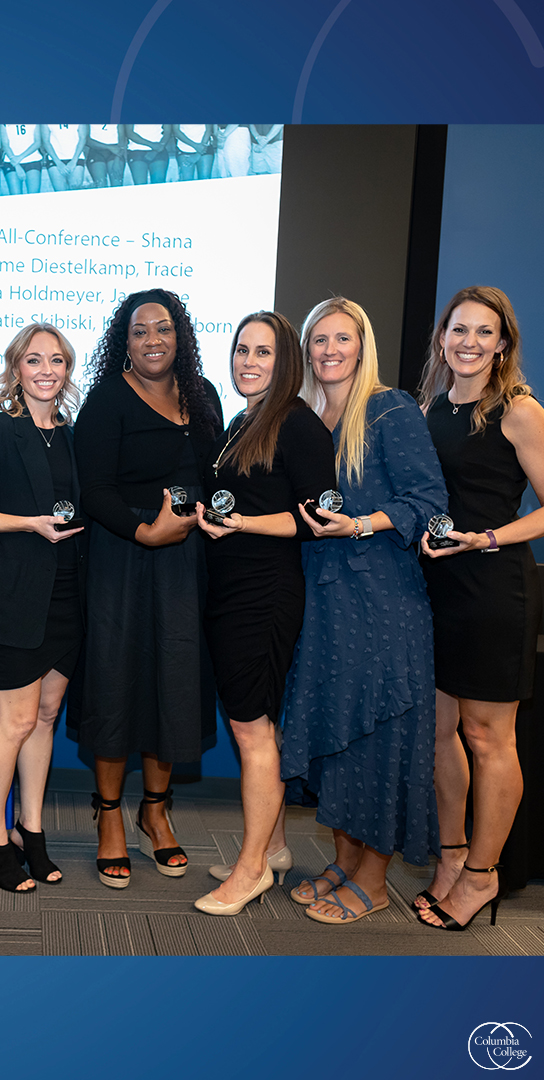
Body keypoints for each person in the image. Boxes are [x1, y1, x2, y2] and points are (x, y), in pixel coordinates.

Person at [279, 298, 446, 923]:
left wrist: (360, 524)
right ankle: (347, 862)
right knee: (337, 735)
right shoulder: (303, 413)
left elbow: (427, 499)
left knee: (378, 735)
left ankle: (375, 880)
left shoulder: (389, 408)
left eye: (340, 339)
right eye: (318, 339)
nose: (328, 350)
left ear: (361, 344)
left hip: (381, 599)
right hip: (321, 599)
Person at [69, 289, 222, 889]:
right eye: (139, 331)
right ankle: (109, 817)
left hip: (187, 564)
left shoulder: (204, 395)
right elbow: (93, 488)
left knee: (175, 682)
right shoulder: (108, 399)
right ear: (123, 341)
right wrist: (144, 531)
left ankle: (155, 811)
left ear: (180, 335)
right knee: (114, 684)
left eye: (163, 328)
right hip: (122, 559)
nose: (152, 339)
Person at [192, 312, 336, 916]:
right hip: (231, 591)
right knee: (254, 726)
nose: (249, 361)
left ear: (287, 364)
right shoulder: (242, 420)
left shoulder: (298, 425)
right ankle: (273, 849)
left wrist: (242, 524)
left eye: (264, 353)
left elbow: (316, 517)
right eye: (242, 350)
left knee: (255, 732)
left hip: (264, 594)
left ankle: (251, 871)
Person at [417, 286, 544, 930]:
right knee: (441, 735)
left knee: (489, 738)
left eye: (483, 332)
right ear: (443, 338)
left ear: (502, 345)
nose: (469, 342)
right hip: (438, 590)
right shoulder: (433, 407)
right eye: (458, 330)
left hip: (495, 589)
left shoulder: (519, 411)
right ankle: (451, 856)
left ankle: (481, 878)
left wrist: (489, 536)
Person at [0, 324, 85, 892]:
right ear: (16, 369)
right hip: (12, 598)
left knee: (47, 717)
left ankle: (33, 832)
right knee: (17, 720)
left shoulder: (76, 437)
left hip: (68, 595)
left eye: (57, 360)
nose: (46, 369)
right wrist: (29, 523)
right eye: (34, 360)